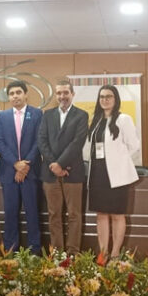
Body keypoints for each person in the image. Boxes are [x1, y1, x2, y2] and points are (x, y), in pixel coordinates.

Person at [86, 85, 140, 258]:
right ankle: (103, 252)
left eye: (109, 96)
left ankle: (115, 253)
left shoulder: (123, 119)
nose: (105, 100)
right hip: (98, 174)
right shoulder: (96, 120)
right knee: (101, 214)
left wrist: (120, 160)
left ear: (115, 99)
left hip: (117, 175)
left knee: (117, 214)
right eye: (101, 97)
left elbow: (134, 146)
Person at [38, 80, 88, 256]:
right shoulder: (47, 114)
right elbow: (42, 141)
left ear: (72, 94)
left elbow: (77, 143)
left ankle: (73, 254)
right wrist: (54, 165)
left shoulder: (81, 115)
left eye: (65, 93)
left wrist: (61, 164)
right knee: (54, 215)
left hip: (72, 171)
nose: (62, 96)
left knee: (74, 215)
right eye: (59, 93)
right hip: (50, 173)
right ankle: (58, 254)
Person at [0, 81, 42, 253]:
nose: (15, 96)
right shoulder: (2, 116)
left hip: (31, 172)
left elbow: (39, 141)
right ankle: (10, 251)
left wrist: (25, 165)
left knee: (32, 214)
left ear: (26, 94)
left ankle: (34, 252)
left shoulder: (37, 114)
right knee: (10, 214)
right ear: (8, 97)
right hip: (9, 172)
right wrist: (16, 164)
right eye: (12, 93)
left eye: (18, 92)